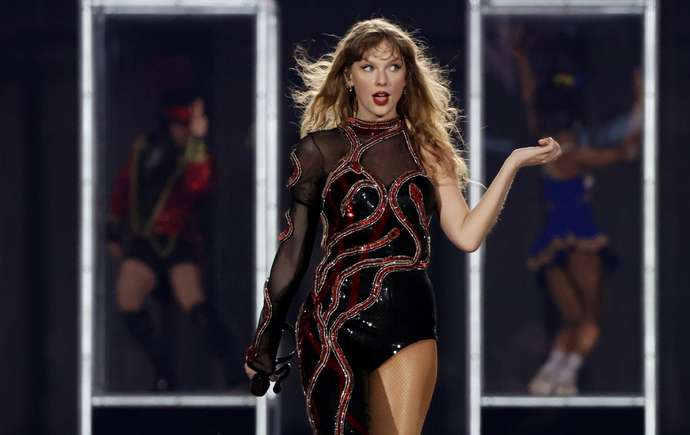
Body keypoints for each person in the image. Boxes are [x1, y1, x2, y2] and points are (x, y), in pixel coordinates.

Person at [243, 18, 561, 434]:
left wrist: (513, 164)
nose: (382, 79)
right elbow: (293, 250)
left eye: (393, 67)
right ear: (348, 76)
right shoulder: (318, 150)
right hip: (331, 322)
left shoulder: (428, 149)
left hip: (407, 317)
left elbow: (466, 236)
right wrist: (265, 343)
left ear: (407, 78)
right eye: (368, 67)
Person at [510, 33, 643, 396]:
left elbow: (529, 99)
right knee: (589, 320)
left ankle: (553, 373)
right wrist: (641, 102)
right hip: (579, 235)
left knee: (574, 318)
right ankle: (563, 374)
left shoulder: (543, 145)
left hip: (553, 239)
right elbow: (624, 151)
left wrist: (521, 59)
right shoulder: (571, 154)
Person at [107, 91, 241, 391]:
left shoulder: (192, 154)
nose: (180, 131)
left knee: (194, 303)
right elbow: (124, 186)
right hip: (145, 241)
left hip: (177, 240)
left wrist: (198, 140)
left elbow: (199, 184)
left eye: (185, 125)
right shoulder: (144, 148)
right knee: (127, 300)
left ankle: (233, 366)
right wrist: (113, 226)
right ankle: (163, 370)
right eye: (177, 125)